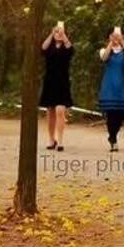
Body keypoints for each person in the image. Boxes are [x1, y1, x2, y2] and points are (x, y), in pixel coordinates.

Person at [40, 22, 74, 151]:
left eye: (61, 32)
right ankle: (51, 139)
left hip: (63, 82)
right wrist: (51, 33)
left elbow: (71, 48)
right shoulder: (50, 48)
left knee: (60, 110)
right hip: (50, 81)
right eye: (57, 32)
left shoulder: (66, 47)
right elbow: (43, 48)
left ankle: (60, 141)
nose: (58, 34)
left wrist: (63, 34)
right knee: (50, 112)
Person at [98, 27, 124, 151]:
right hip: (109, 85)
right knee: (111, 113)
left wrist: (122, 41)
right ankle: (113, 138)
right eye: (113, 35)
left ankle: (113, 135)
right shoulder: (105, 50)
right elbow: (104, 58)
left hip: (121, 85)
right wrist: (111, 43)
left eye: (118, 35)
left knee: (120, 114)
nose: (116, 38)